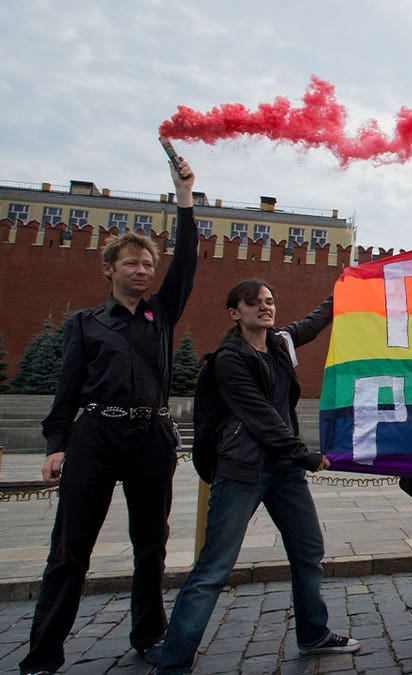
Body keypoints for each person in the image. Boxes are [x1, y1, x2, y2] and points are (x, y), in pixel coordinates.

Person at [20, 158, 197, 675]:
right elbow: (66, 391)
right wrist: (57, 445)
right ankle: (43, 653)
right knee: (70, 550)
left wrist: (185, 197)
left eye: (147, 264)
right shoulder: (84, 324)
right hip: (95, 435)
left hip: (149, 435)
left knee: (151, 544)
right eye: (131, 264)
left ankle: (149, 635)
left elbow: (186, 260)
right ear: (110, 269)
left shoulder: (161, 313)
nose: (142, 271)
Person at [149, 280, 358, 674]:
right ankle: (174, 660)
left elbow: (313, 323)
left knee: (308, 551)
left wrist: (346, 287)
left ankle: (313, 634)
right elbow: (260, 416)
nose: (266, 307)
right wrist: (307, 456)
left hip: (283, 471)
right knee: (214, 567)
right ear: (236, 313)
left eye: (270, 301)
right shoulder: (229, 358)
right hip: (243, 469)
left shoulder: (279, 343)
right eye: (255, 303)